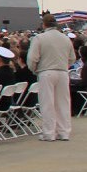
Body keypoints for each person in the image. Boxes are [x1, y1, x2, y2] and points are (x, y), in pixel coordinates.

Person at [27, 13, 76, 141]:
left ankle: (49, 133)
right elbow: (72, 58)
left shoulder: (39, 38)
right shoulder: (66, 38)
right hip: (63, 72)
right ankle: (64, 132)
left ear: (44, 24)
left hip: (46, 72)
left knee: (47, 103)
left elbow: (32, 58)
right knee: (63, 103)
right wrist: (64, 65)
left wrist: (34, 69)